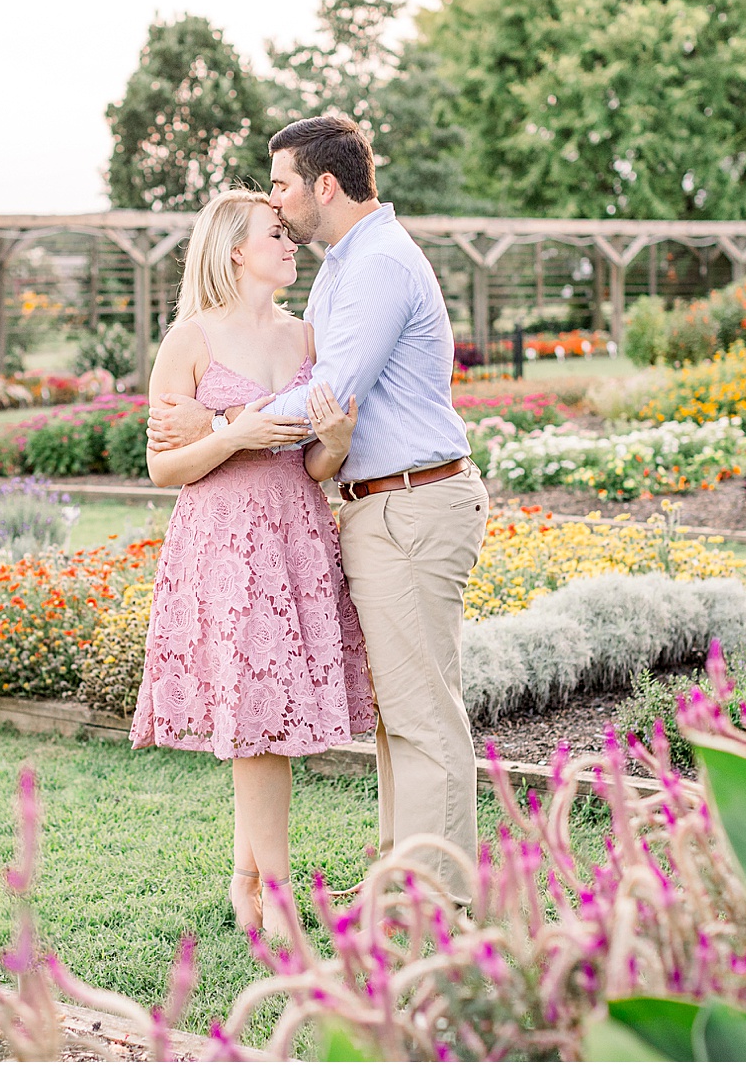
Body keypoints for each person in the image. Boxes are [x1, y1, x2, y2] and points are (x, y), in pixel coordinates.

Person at [148, 116, 488, 902]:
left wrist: (224, 423)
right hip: (378, 506)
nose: (278, 201)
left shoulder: (373, 269)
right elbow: (321, 434)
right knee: (400, 721)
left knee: (422, 721)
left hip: (411, 502)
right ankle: (408, 891)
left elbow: (326, 398)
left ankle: (434, 907)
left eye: (281, 186)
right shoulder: (345, 266)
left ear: (323, 187)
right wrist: (230, 429)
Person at [131, 187, 375, 933]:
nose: (290, 241)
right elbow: (164, 471)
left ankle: (246, 878)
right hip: (223, 548)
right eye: (276, 232)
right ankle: (279, 897)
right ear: (235, 248)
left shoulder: (304, 339)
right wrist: (235, 433)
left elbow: (316, 465)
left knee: (267, 720)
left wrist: (332, 440)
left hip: (296, 537)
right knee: (261, 724)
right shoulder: (190, 340)